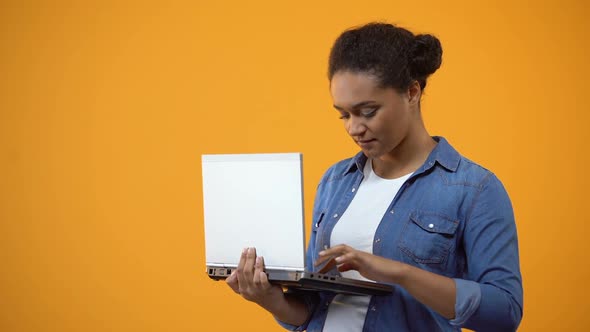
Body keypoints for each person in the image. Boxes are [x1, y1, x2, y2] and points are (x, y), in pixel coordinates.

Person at [225, 22, 523, 331]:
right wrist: (269, 299)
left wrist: (397, 272)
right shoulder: (334, 181)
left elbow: (504, 312)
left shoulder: (474, 190)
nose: (354, 128)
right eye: (344, 114)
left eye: (367, 111)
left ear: (412, 91)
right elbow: (314, 310)